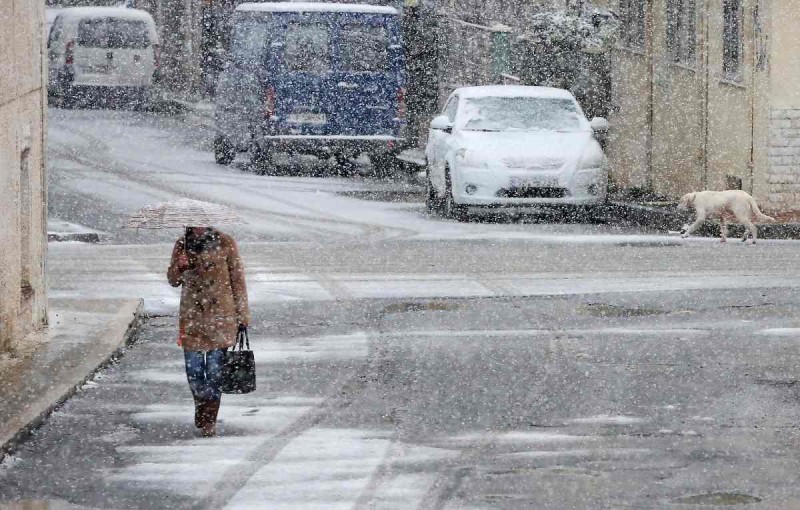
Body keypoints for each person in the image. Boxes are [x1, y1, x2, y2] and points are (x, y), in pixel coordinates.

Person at [167, 226, 250, 437]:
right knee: (194, 373)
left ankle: (208, 419)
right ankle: (203, 405)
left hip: (221, 316)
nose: (198, 226)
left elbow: (237, 281)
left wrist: (242, 316)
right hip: (192, 317)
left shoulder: (225, 242)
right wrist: (179, 266)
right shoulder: (182, 244)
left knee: (214, 373)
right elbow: (173, 280)